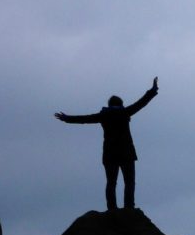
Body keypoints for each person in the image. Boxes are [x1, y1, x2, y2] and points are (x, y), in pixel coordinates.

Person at [55, 77, 159, 210]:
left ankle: (112, 208)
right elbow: (142, 102)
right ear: (121, 104)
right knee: (129, 182)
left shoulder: (103, 115)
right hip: (127, 152)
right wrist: (153, 89)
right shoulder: (125, 112)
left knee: (111, 182)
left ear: (109, 104)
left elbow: (84, 119)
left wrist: (67, 118)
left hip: (110, 154)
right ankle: (129, 208)